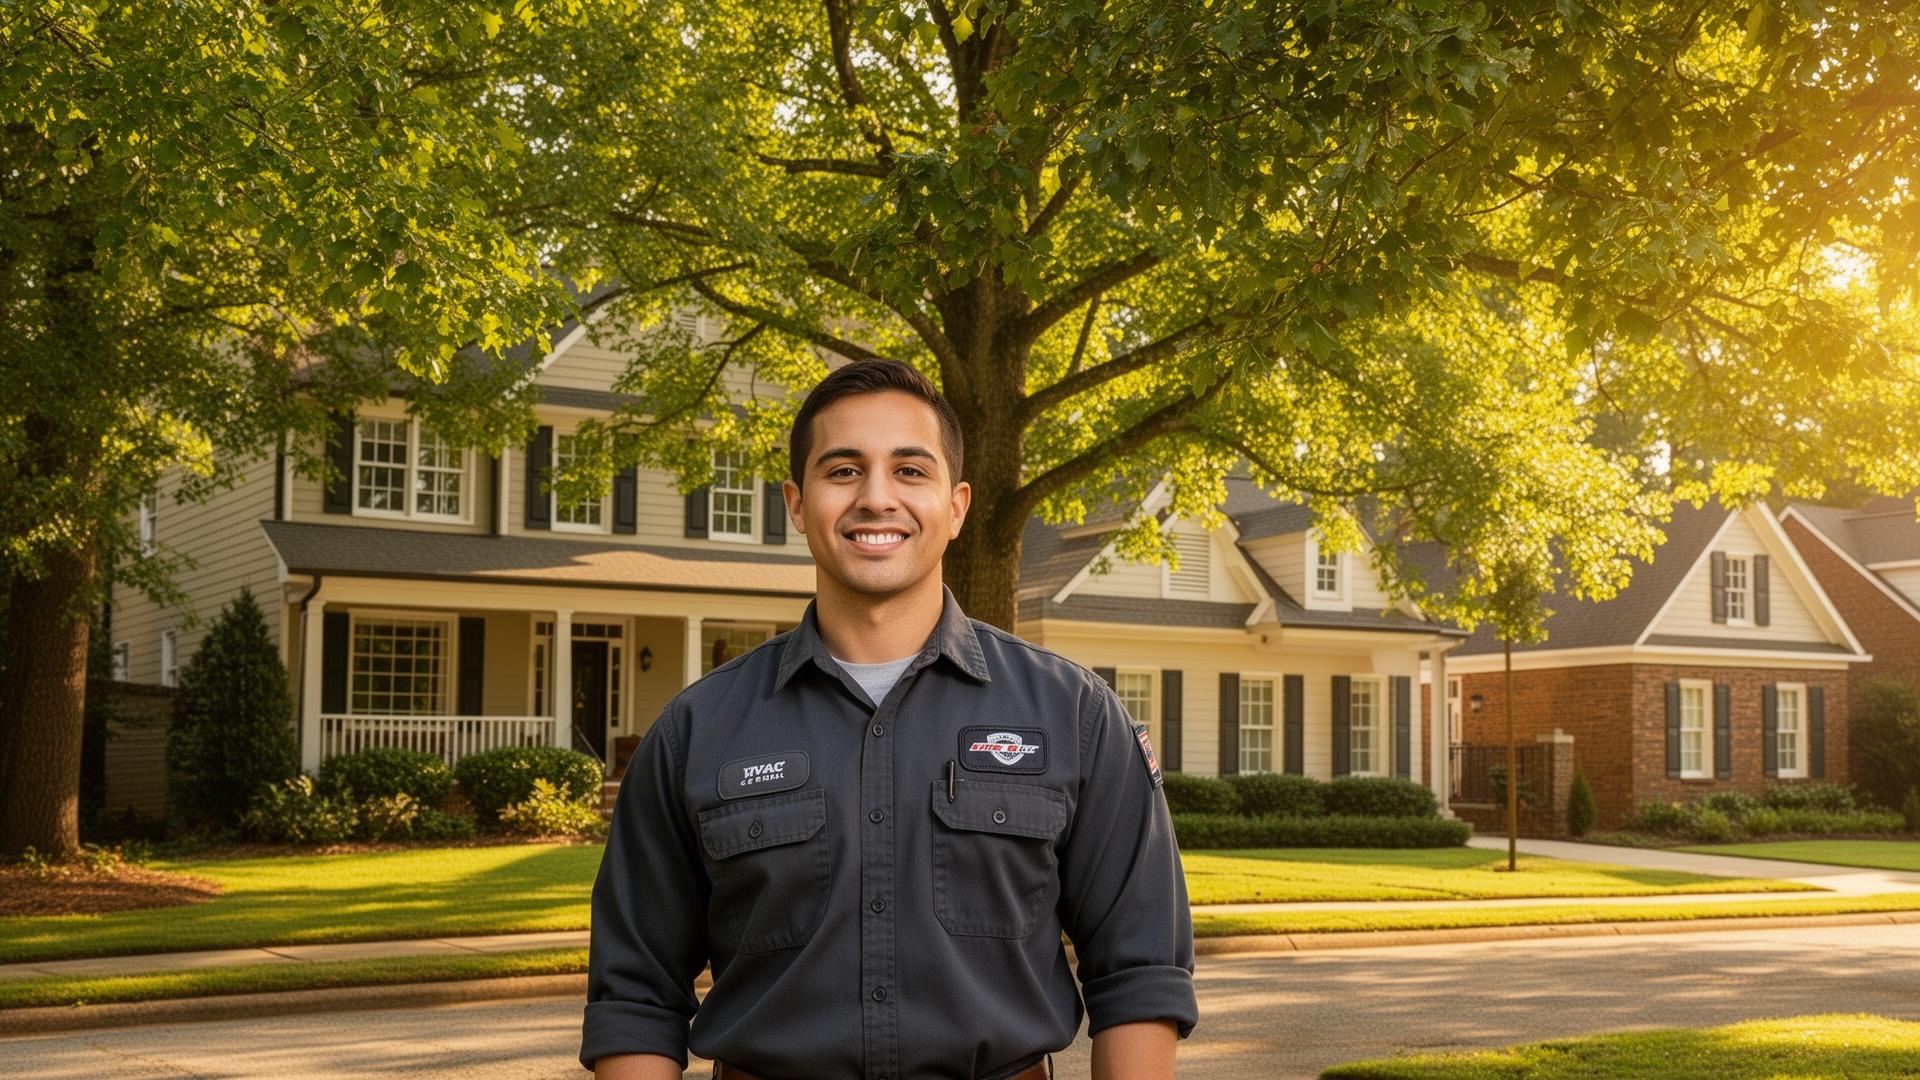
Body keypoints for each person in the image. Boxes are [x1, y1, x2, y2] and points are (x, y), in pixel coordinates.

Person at [581, 360, 1196, 1080]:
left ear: (957, 505)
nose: (877, 499)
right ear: (797, 502)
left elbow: (1140, 972)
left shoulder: (1076, 715)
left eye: (910, 471)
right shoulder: (696, 731)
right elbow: (636, 993)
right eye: (843, 470)